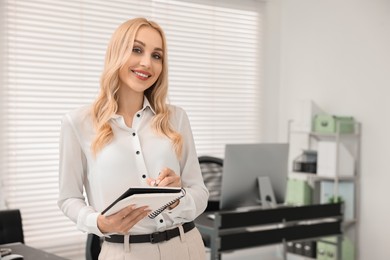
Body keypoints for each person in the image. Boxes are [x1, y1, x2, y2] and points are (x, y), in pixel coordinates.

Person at [57, 17, 209, 260]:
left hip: (186, 247)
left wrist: (176, 198)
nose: (147, 63)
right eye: (137, 50)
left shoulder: (176, 118)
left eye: (156, 55)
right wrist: (100, 223)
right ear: (117, 53)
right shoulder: (78, 123)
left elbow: (200, 193)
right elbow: (68, 198)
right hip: (124, 252)